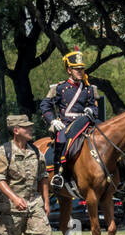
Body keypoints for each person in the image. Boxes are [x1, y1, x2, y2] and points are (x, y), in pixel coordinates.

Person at [38, 50, 100, 185]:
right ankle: (58, 174)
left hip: (86, 122)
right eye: (76, 69)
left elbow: (95, 108)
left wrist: (91, 110)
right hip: (66, 125)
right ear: (69, 70)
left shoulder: (89, 89)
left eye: (81, 69)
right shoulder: (60, 88)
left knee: (108, 135)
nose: (80, 71)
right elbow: (45, 105)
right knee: (61, 139)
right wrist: (53, 120)